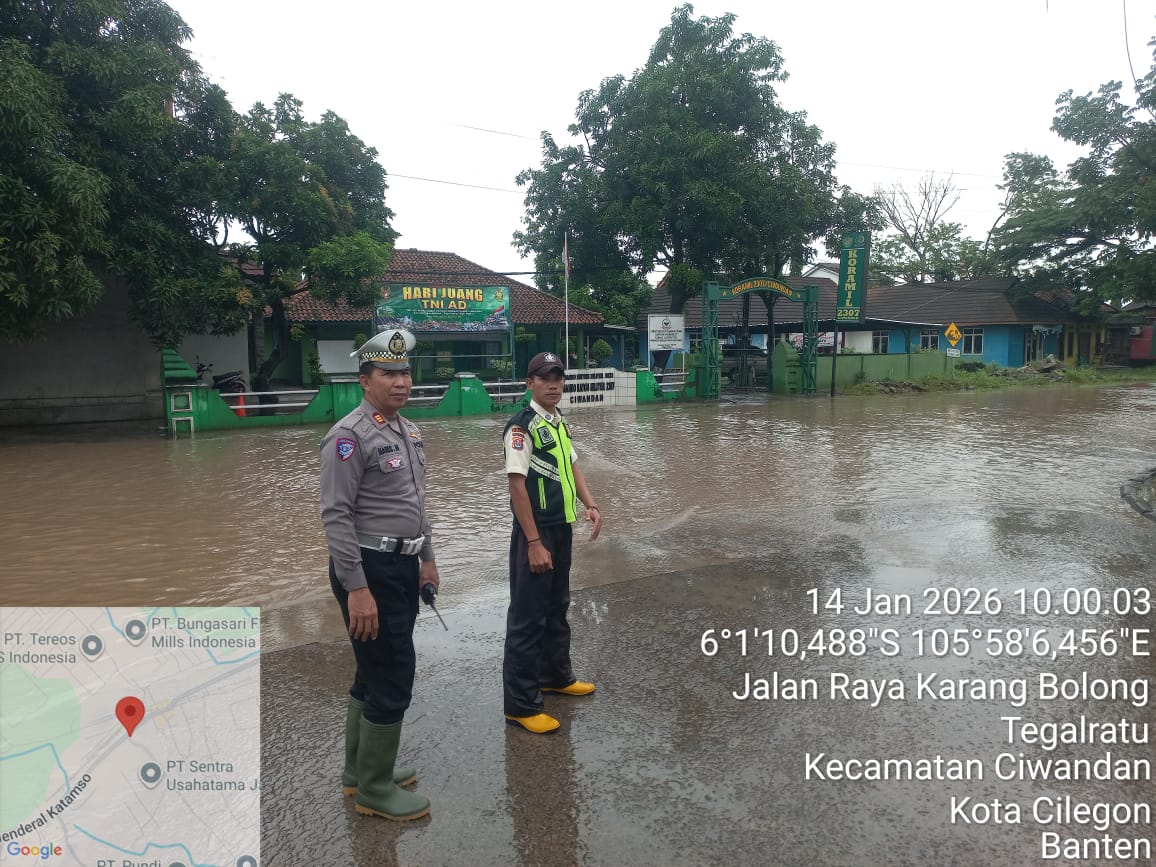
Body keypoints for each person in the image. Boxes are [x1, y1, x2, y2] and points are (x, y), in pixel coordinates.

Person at [319, 328, 440, 821]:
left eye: (405, 372)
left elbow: (416, 502)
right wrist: (358, 589)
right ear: (365, 380)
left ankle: (359, 773)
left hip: (401, 565)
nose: (401, 381)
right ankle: (374, 789)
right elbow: (336, 516)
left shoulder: (407, 430)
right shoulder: (348, 437)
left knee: (371, 672)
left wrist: (427, 558)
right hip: (369, 569)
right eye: (388, 373)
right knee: (393, 673)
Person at [502, 351, 603, 734]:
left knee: (557, 607)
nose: (553, 384)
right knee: (527, 618)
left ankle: (555, 677)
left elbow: (572, 467)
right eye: (544, 378)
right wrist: (532, 541)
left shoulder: (559, 423)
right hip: (536, 532)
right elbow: (516, 485)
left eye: (558, 377)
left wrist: (590, 505)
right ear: (529, 383)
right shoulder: (521, 428)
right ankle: (521, 706)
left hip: (561, 527)